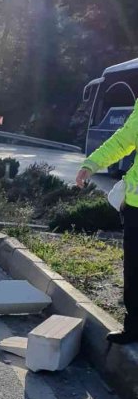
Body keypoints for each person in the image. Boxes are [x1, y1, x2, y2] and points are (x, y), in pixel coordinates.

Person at [75, 99, 138, 344]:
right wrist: (92, 164)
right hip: (136, 207)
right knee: (134, 270)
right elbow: (124, 140)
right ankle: (133, 328)